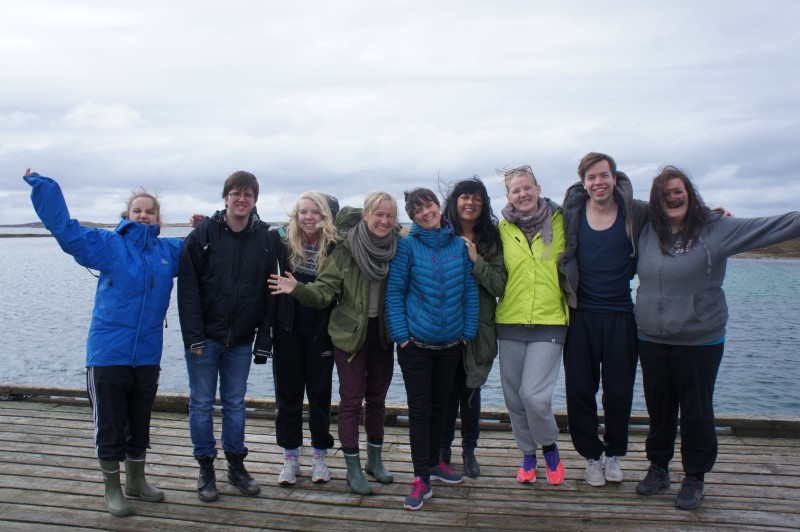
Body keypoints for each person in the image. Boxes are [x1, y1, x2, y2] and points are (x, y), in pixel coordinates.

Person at [634, 166, 800, 510]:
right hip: (651, 337)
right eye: (665, 194)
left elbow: (778, 225)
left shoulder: (717, 228)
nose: (673, 198)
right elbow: (613, 197)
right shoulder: (647, 230)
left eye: (678, 191)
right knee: (659, 408)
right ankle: (659, 467)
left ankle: (695, 476)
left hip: (699, 339)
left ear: (689, 194)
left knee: (696, 410)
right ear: (656, 200)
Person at [23, 169, 182, 517]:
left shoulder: (169, 251)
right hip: (109, 353)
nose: (143, 215)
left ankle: (136, 481)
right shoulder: (108, 245)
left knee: (139, 421)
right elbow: (66, 232)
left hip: (147, 355)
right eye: (137, 210)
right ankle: (112, 488)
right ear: (127, 214)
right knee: (109, 424)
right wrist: (46, 188)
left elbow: (207, 250)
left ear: (159, 218)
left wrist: (206, 225)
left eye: (150, 211)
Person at [269, 192, 400, 495]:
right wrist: (297, 288)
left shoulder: (397, 246)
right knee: (350, 400)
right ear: (365, 215)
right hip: (346, 334)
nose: (383, 221)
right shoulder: (346, 249)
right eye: (377, 214)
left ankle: (373, 460)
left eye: (389, 216)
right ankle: (351, 467)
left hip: (382, 334)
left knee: (376, 400)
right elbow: (324, 291)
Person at [178, 170, 274, 502]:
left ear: (255, 200)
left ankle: (236, 465)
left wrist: (264, 339)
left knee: (235, 403)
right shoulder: (203, 234)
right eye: (236, 193)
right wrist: (193, 337)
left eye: (248, 194)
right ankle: (206, 467)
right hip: (205, 338)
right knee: (201, 403)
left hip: (242, 339)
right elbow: (187, 290)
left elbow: (269, 291)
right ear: (226, 196)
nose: (242, 199)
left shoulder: (265, 238)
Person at [386, 187, 479, 511]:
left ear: (439, 206)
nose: (426, 213)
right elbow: (395, 293)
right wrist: (402, 336)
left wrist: (467, 332)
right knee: (420, 411)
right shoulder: (407, 246)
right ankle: (420, 477)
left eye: (429, 205)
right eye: (417, 210)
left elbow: (469, 291)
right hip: (415, 345)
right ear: (412, 217)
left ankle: (436, 463)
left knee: (441, 407)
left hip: (451, 343)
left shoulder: (458, 246)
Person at [560, 152, 648, 487]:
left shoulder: (635, 212)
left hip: (621, 315)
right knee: (579, 390)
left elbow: (676, 214)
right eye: (591, 177)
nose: (598, 182)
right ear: (583, 182)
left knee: (619, 392)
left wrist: (715, 215)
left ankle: (613, 454)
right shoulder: (571, 213)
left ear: (614, 177)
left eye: (603, 175)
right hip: (580, 315)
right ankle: (591, 457)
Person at [495, 166, 569, 486]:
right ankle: (527, 454)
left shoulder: (562, 222)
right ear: (508, 196)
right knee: (514, 399)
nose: (522, 194)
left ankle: (549, 447)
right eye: (516, 190)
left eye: (527, 188)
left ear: (538, 189)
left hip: (550, 321)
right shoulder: (501, 228)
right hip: (509, 320)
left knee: (534, 396)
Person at [269, 192, 338, 486]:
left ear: (325, 216)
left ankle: (320, 456)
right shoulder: (282, 242)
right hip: (287, 331)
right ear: (295, 216)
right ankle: (291, 457)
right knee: (288, 398)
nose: (309, 217)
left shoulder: (335, 246)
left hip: (321, 334)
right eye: (303, 212)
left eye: (315, 212)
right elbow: (250, 230)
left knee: (320, 398)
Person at [439, 177, 506, 479]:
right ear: (455, 202)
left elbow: (500, 285)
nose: (470, 203)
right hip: (444, 326)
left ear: (483, 205)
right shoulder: (440, 233)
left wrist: (477, 260)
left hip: (478, 329)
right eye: (465, 197)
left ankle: (469, 449)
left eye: (477, 199)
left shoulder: (491, 240)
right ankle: (443, 449)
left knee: (470, 392)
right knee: (444, 392)